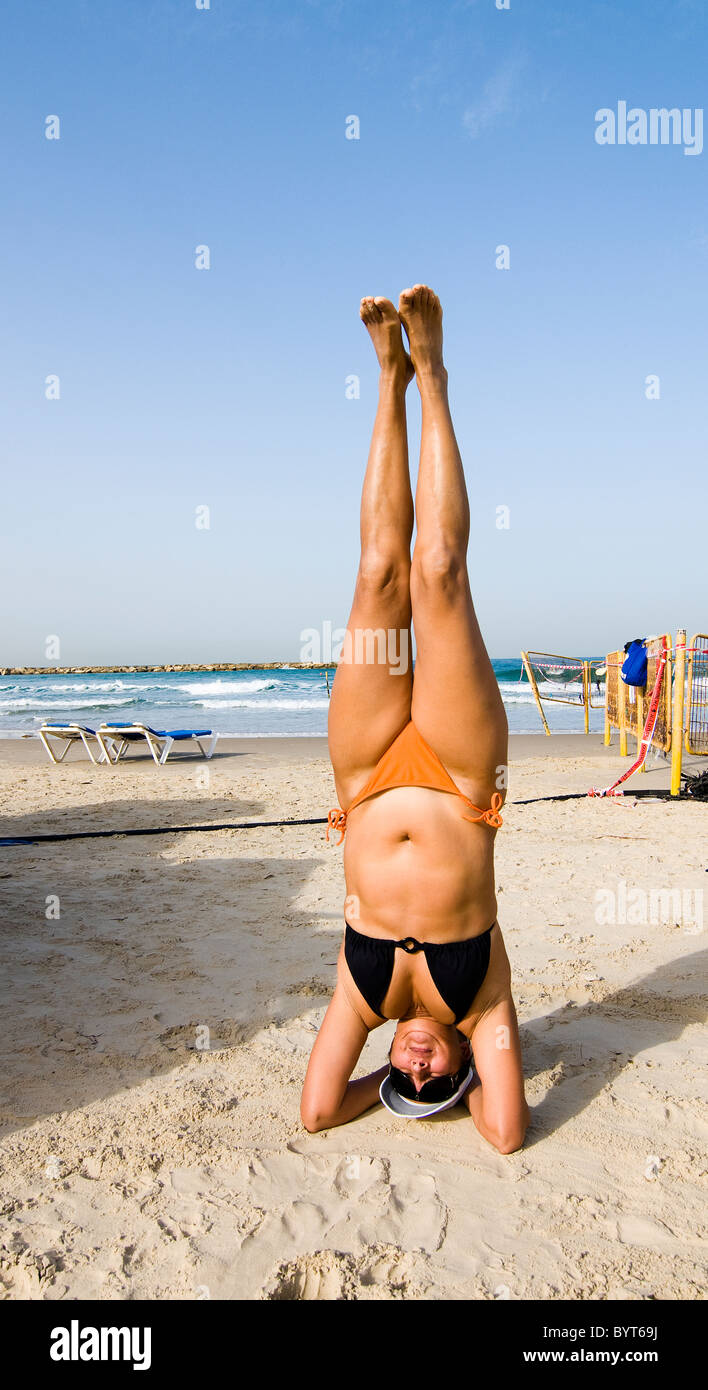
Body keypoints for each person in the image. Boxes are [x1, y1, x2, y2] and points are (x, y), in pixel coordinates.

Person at [300, 286, 529, 1152]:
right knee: (437, 572)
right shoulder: (484, 1001)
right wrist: (470, 1075)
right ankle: (433, 375)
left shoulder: (362, 1001)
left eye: (403, 1079)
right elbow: (505, 1133)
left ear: (388, 1058)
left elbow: (320, 1109)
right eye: (434, 1081)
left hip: (362, 781)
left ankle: (387, 378)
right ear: (464, 1064)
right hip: (466, 780)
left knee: (374, 575)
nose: (418, 1070)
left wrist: (384, 1093)